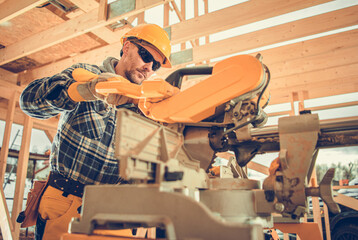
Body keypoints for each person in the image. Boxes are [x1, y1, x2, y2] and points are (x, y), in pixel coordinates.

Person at [19, 23, 172, 240]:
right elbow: (28, 102)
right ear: (127, 47)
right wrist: (81, 91)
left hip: (112, 211)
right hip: (64, 201)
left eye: (155, 64)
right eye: (146, 55)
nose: (149, 66)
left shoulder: (145, 106)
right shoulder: (86, 75)